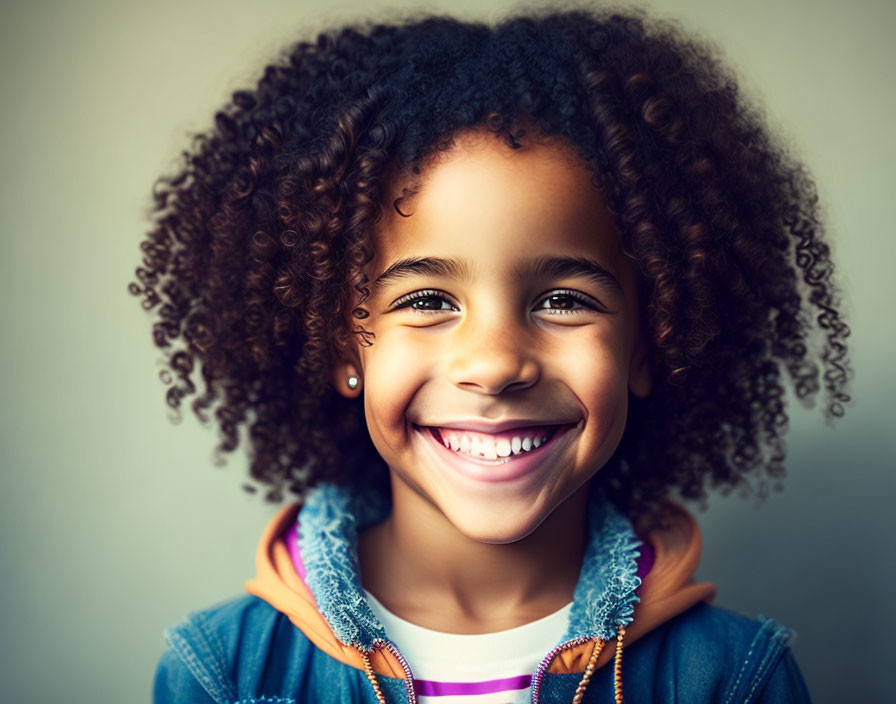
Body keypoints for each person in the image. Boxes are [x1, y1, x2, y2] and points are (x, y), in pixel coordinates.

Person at [136, 7, 850, 703]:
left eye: (563, 300)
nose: (495, 362)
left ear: (648, 343)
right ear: (342, 347)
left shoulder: (735, 679)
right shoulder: (224, 675)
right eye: (425, 302)